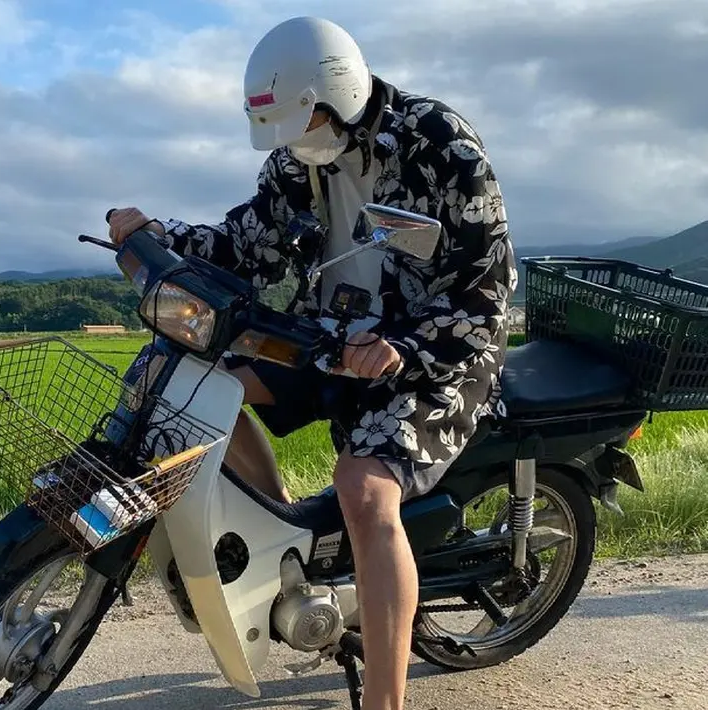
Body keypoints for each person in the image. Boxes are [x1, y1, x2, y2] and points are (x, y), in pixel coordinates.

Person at [106, 16, 517, 710]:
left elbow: (485, 291)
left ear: (342, 93)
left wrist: (408, 348)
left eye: (307, 123)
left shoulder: (441, 143)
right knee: (201, 393)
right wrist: (155, 234)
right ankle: (290, 543)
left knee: (364, 493)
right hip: (328, 338)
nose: (296, 144)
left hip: (435, 352)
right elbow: (246, 242)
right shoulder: (294, 157)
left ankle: (385, 701)